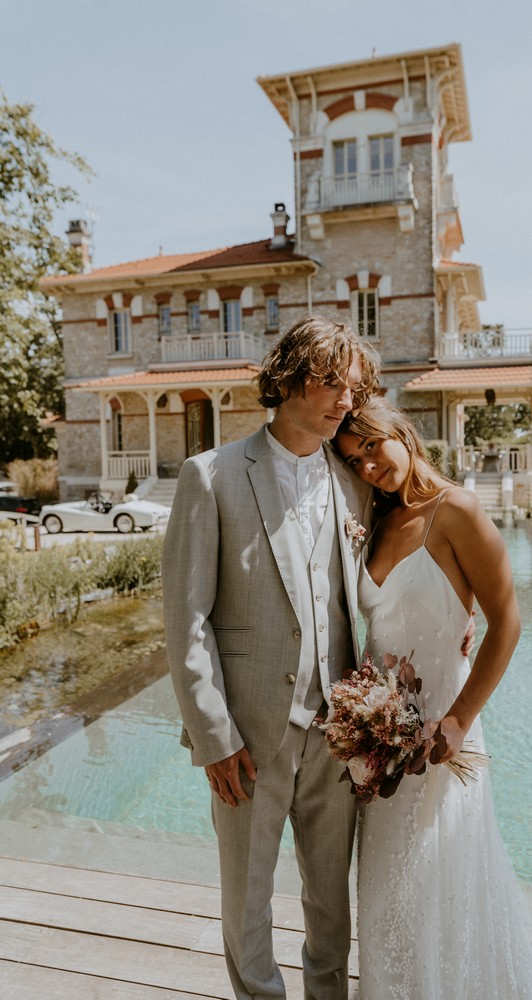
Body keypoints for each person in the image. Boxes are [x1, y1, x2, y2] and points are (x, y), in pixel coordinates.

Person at [335, 396, 532, 1000]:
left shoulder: (459, 510)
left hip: (443, 729)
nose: (368, 465)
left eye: (372, 445)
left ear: (401, 432)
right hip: (383, 739)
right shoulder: (378, 516)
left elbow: (507, 621)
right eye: (354, 459)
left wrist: (460, 719)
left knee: (440, 878)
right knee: (387, 882)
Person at [162, 316, 379, 1000]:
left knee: (330, 903)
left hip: (338, 732)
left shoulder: (356, 482)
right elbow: (185, 619)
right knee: (248, 899)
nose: (344, 400)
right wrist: (213, 737)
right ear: (287, 379)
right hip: (248, 736)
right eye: (328, 382)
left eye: (353, 387)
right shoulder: (211, 475)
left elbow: (390, 576)